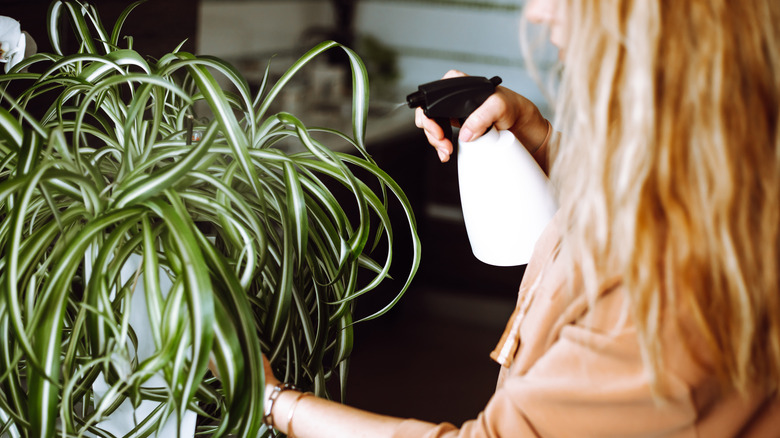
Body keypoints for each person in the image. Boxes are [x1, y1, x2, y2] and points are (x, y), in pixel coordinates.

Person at [259, 0, 780, 436]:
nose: (537, 11)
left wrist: (272, 399)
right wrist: (537, 133)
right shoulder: (726, 172)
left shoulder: (672, 290)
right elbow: (631, 208)